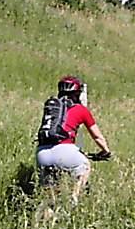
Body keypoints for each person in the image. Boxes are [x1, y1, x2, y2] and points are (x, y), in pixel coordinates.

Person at [36, 76, 111, 204]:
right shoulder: (81, 110)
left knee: (50, 199)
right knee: (85, 166)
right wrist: (105, 151)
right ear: (77, 94)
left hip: (42, 153)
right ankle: (74, 197)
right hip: (65, 150)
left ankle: (42, 223)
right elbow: (97, 137)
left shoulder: (52, 108)